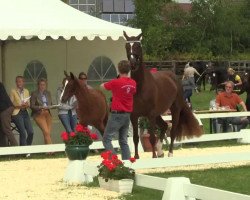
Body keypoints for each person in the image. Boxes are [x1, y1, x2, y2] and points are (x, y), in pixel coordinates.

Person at [100, 60, 136, 160]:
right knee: (123, 140)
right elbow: (132, 91)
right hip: (127, 115)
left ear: (118, 69)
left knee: (106, 139)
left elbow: (102, 87)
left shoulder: (115, 82)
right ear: (129, 70)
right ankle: (127, 162)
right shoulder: (133, 83)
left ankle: (114, 161)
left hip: (116, 114)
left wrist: (112, 81)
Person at [10, 76, 34, 146]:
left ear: (23, 82)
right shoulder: (13, 91)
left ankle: (26, 148)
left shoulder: (26, 91)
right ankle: (24, 152)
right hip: (17, 113)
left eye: (20, 81)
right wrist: (20, 106)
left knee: (31, 132)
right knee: (23, 132)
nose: (19, 83)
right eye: (17, 81)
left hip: (25, 112)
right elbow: (10, 104)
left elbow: (28, 104)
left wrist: (26, 104)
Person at [30, 78, 53, 144]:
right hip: (39, 114)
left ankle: (47, 151)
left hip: (48, 113)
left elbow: (50, 103)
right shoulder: (34, 93)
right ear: (38, 85)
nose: (42, 86)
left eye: (44, 85)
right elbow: (32, 106)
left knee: (47, 132)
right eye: (41, 85)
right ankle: (51, 150)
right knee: (46, 131)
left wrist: (54, 106)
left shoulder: (48, 93)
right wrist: (40, 107)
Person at [0, 82, 18, 147]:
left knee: (6, 129)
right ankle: (3, 148)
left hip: (5, 109)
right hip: (6, 108)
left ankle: (16, 150)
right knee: (2, 129)